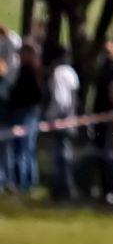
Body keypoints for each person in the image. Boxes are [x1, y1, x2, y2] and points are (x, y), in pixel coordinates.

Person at [2, 39, 43, 194]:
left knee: (23, 150)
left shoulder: (29, 71)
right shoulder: (29, 69)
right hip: (26, 113)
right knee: (26, 149)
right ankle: (27, 182)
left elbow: (33, 94)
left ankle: (23, 183)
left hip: (25, 114)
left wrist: (14, 101)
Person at [44, 44, 80, 200]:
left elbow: (60, 99)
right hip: (71, 118)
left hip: (60, 118)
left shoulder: (58, 73)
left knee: (59, 157)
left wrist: (50, 116)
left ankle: (61, 190)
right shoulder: (72, 73)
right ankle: (68, 187)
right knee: (67, 155)